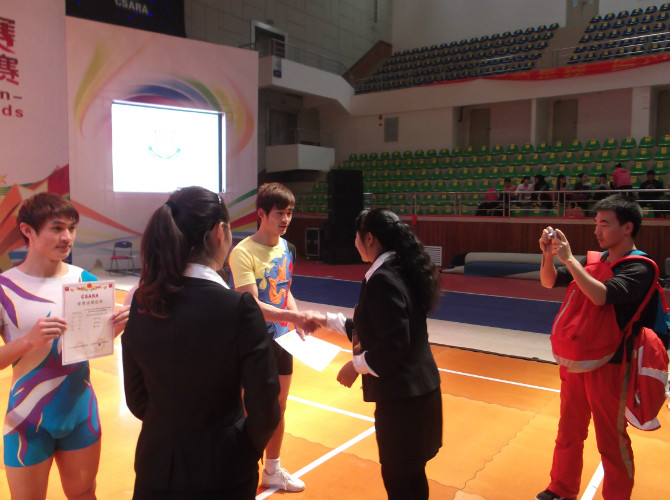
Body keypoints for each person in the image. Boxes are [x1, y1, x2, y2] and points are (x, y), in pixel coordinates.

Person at [121, 186, 281, 500]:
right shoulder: (238, 308)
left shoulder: (142, 300)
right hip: (223, 472)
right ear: (220, 232)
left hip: (156, 468)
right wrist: (245, 450)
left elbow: (137, 398)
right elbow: (265, 406)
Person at [0, 192, 129, 500]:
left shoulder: (85, 280)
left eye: (72, 228)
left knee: (84, 494)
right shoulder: (5, 288)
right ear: (27, 230)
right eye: (57, 228)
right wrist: (27, 341)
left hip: (81, 412)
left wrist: (112, 330)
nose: (67, 237)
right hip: (26, 419)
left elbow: (86, 346)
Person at [536, 194, 657, 500]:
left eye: (605, 224)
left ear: (628, 227)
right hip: (578, 360)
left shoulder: (640, 268)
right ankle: (560, 489)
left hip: (612, 364)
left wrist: (569, 259)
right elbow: (549, 281)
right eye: (596, 223)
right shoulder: (594, 262)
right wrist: (549, 255)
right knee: (568, 431)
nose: (597, 230)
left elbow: (602, 295)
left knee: (611, 441)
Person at [328, 208, 443, 500]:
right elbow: (380, 327)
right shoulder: (403, 268)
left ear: (369, 238)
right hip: (419, 393)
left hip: (403, 401)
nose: (355, 243)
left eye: (356, 237)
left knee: (400, 481)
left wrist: (355, 366)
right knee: (412, 477)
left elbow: (394, 345)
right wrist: (330, 321)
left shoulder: (382, 279)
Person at [228, 182, 321, 493]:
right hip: (253, 343)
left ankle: (272, 469)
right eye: (279, 213)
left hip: (283, 341)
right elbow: (251, 305)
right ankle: (242, 469)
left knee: (280, 405)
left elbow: (284, 289)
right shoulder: (242, 253)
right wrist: (294, 317)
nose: (285, 219)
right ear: (261, 214)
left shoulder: (287, 248)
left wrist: (296, 319)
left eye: (289, 213)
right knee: (249, 408)